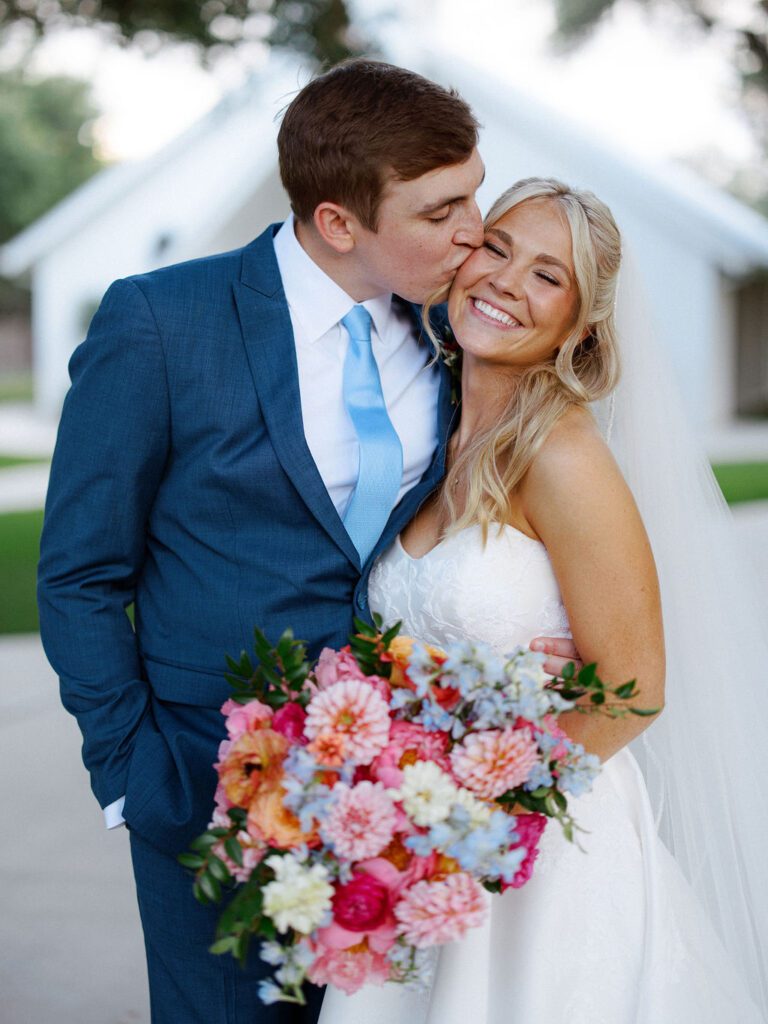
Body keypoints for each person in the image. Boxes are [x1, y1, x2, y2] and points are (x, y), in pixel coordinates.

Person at [36, 63, 581, 1024]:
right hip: (207, 782)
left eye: (475, 193)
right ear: (340, 223)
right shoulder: (162, 321)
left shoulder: (456, 328)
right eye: (441, 209)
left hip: (407, 802)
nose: (475, 233)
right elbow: (80, 573)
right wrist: (134, 779)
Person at [318, 178, 768, 1023]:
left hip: (536, 857)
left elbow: (633, 688)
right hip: (420, 843)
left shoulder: (563, 456)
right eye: (497, 248)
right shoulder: (433, 435)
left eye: (547, 276)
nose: (505, 282)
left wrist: (470, 819)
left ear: (580, 324)